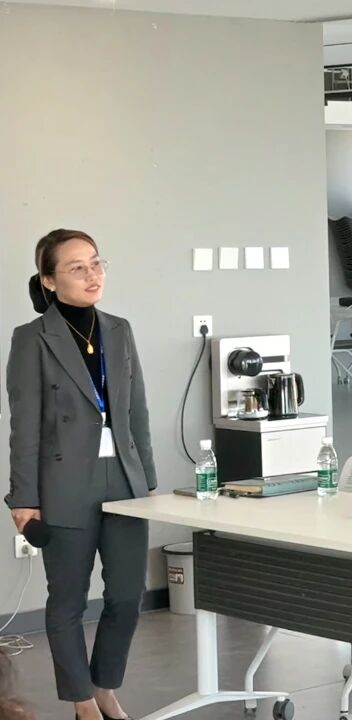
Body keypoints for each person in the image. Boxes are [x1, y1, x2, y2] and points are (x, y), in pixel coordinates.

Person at [6, 229, 156, 720]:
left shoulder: (120, 329)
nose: (93, 275)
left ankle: (105, 686)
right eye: (77, 268)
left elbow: (136, 410)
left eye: (96, 263)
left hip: (124, 479)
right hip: (64, 483)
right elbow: (24, 425)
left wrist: (147, 481)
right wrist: (23, 499)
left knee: (127, 595)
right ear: (49, 280)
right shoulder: (31, 338)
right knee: (68, 599)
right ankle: (82, 701)